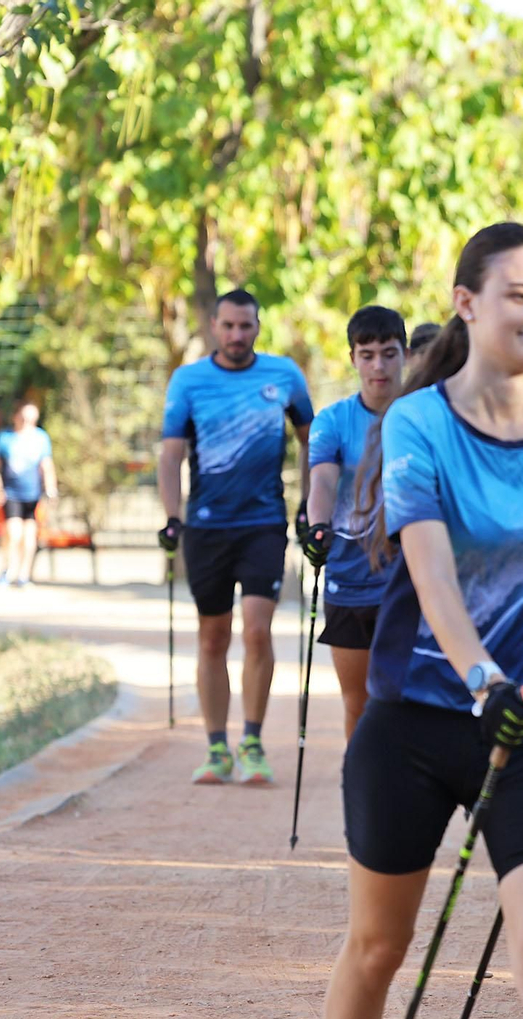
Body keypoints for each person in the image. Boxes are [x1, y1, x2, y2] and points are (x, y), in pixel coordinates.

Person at [318, 222, 523, 1019]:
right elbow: (433, 571)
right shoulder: (418, 421)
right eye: (521, 294)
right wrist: (482, 674)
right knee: (378, 946)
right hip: (414, 722)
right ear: (466, 302)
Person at [157, 289, 314, 786]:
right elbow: (170, 454)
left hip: (264, 523)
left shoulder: (284, 375)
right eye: (227, 326)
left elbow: (313, 441)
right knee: (212, 637)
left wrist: (311, 505)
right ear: (214, 327)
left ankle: (252, 741)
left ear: (258, 327)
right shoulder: (189, 380)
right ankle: (216, 747)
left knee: (257, 631)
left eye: (246, 326)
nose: (236, 335)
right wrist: (171, 515)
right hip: (206, 527)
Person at [302, 306, 406, 738]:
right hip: (348, 581)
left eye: (388, 353)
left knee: (405, 700)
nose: (378, 366)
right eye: (367, 354)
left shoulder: (424, 414)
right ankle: (362, 797)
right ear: (352, 359)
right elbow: (322, 481)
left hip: (408, 582)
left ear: (406, 354)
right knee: (357, 704)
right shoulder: (332, 421)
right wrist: (318, 526)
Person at [0, 402, 58, 587]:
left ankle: (24, 575)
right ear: (16, 417)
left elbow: (46, 466)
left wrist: (51, 489)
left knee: (29, 537)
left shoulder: (41, 438)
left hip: (32, 495)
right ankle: (7, 569)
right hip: (11, 493)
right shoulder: (5, 438)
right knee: (13, 532)